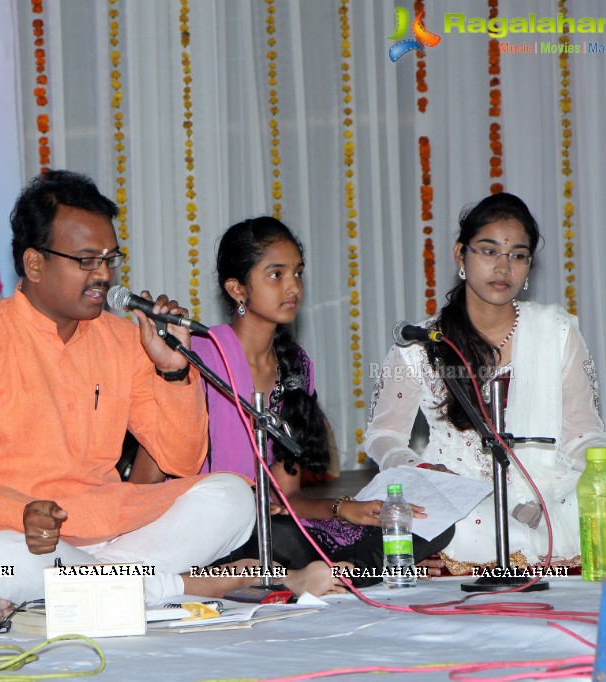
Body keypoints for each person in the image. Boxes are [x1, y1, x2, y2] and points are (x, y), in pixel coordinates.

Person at [0, 170, 258, 615]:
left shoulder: (123, 340)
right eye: (86, 260)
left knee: (232, 498)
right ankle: (168, 585)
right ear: (35, 263)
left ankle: (96, 588)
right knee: (1, 560)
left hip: (110, 530)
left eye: (108, 259)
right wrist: (19, 514)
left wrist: (174, 372)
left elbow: (180, 459)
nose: (103, 275)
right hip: (19, 537)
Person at [132, 217, 452, 589]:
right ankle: (354, 568)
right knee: (281, 537)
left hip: (271, 524)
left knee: (423, 523)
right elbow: (145, 483)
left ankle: (344, 568)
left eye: (297, 273)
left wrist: (344, 509)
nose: (293, 287)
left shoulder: (295, 365)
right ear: (237, 288)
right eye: (276, 274)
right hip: (205, 526)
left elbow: (289, 496)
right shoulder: (196, 354)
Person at [365, 192, 606, 574]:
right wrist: (418, 470)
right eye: (489, 251)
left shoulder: (557, 333)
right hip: (463, 494)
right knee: (460, 521)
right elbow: (384, 434)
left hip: (552, 486)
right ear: (460, 255)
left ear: (530, 266)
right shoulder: (421, 344)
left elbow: (583, 432)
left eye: (518, 255)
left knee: (605, 499)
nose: (504, 267)